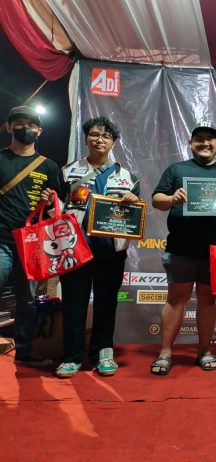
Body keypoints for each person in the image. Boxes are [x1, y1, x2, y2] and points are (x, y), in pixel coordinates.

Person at [43, 116, 140, 378]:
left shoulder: (127, 178)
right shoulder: (67, 171)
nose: (99, 139)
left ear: (113, 142)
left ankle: (103, 353)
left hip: (110, 251)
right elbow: (56, 209)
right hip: (74, 250)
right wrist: (50, 202)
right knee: (74, 303)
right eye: (94, 134)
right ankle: (71, 356)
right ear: (86, 138)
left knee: (107, 304)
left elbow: (134, 217)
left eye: (106, 136)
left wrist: (132, 199)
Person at [151, 126, 216, 375]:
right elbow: (157, 200)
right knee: (176, 299)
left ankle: (205, 351)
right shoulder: (176, 170)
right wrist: (172, 198)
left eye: (210, 140)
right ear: (190, 142)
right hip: (181, 247)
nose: (205, 143)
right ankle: (165, 353)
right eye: (199, 139)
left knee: (208, 300)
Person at [0, 106, 61, 368]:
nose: (26, 128)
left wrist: (50, 199)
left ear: (39, 131)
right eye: (20, 123)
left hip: (31, 244)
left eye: (32, 125)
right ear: (9, 127)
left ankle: (24, 351)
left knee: (27, 301)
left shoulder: (48, 166)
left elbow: (58, 205)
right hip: (1, 239)